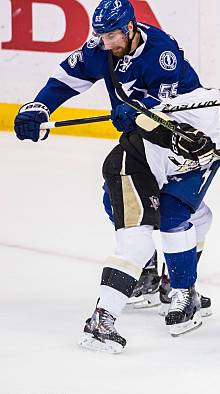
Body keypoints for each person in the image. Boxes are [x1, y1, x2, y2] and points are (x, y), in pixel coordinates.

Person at [13, 0, 202, 295]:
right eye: (101, 35)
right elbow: (67, 79)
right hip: (141, 138)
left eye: (112, 35)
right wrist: (40, 106)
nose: (106, 42)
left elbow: (166, 105)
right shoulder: (100, 46)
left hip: (180, 135)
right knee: (115, 201)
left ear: (130, 27)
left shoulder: (161, 52)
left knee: (175, 213)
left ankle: (180, 287)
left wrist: (138, 110)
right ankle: (147, 269)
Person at [79, 68, 220, 353]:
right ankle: (101, 321)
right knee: (138, 244)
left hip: (164, 178)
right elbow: (142, 116)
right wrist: (174, 137)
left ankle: (181, 289)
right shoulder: (198, 107)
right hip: (132, 167)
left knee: (199, 216)